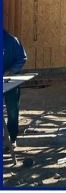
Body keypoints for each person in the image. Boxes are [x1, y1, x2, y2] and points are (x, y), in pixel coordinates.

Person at [3, 28, 27, 163]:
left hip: (10, 82)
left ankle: (12, 139)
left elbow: (22, 58)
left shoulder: (12, 41)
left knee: (12, 111)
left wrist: (11, 71)